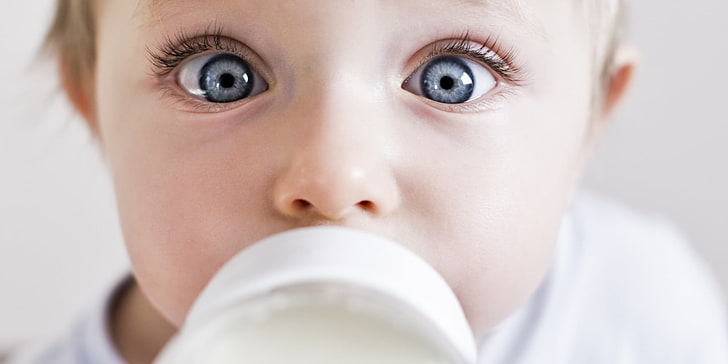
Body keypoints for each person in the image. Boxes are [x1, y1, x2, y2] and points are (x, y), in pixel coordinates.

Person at [7, 0, 728, 363]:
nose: (333, 176)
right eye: (222, 78)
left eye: (452, 79)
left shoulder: (639, 310)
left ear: (587, 129)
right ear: (93, 107)